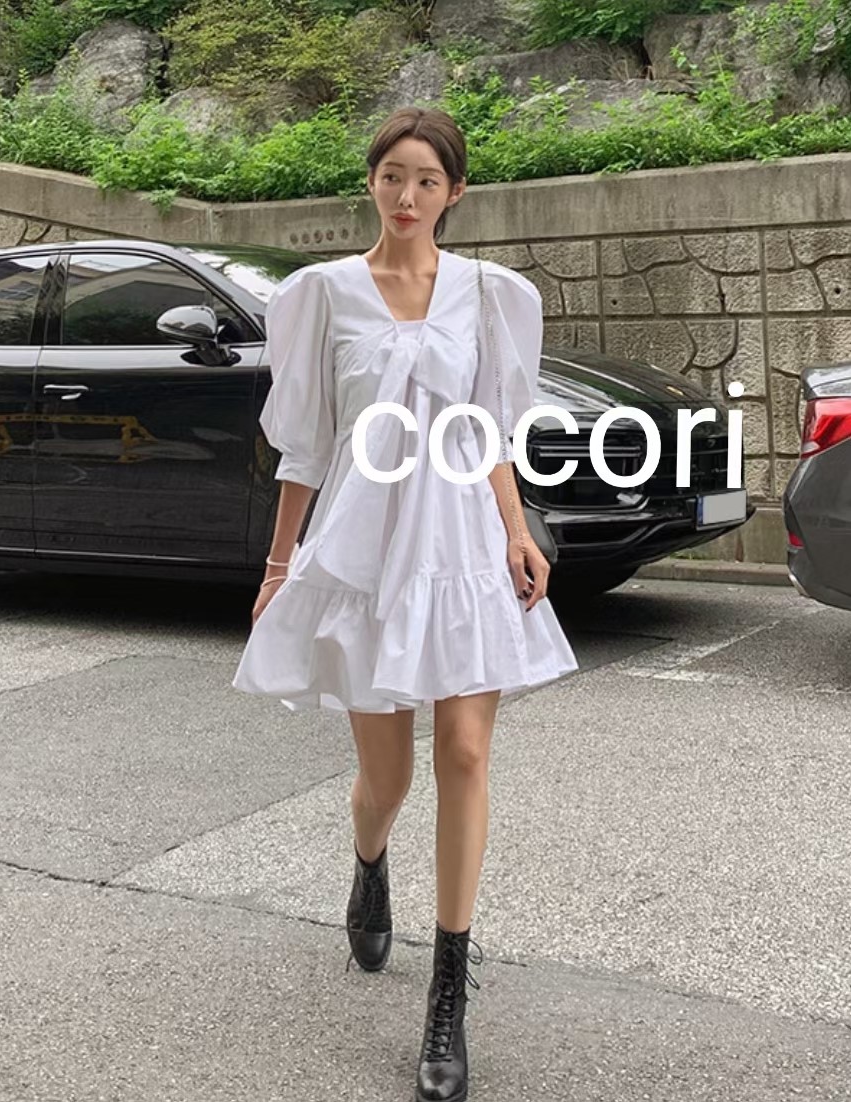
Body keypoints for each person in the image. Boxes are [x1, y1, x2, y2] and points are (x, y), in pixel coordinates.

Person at [232, 105, 578, 1102]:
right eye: (393, 176)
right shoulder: (322, 295)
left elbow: (488, 431)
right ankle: (368, 858)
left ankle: (447, 996)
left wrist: (517, 526)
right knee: (386, 778)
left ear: (455, 192)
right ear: (371, 182)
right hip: (366, 552)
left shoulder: (490, 294)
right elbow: (305, 446)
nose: (408, 195)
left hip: (463, 543)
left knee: (464, 752)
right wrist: (279, 565)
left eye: (428, 180)